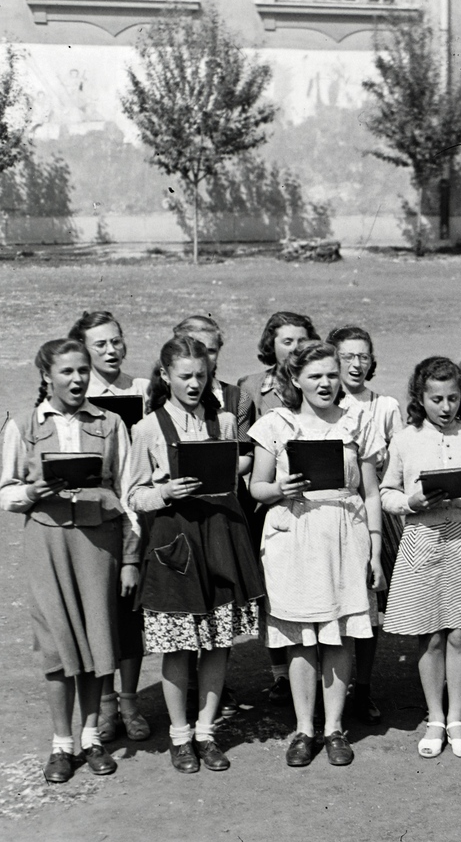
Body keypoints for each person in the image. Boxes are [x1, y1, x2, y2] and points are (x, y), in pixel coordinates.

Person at [0, 338, 137, 783]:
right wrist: (30, 493)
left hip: (99, 545)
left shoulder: (112, 423)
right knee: (58, 647)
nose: (77, 380)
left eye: (83, 371)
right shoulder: (24, 426)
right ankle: (61, 746)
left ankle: (92, 737)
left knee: (97, 642)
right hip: (48, 544)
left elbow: (129, 494)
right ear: (46, 376)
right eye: (67, 373)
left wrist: (131, 558)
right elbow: (5, 491)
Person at [124, 336, 264, 773]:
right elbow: (133, 494)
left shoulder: (223, 421)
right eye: (185, 376)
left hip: (220, 535)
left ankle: (206, 731)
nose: (195, 384)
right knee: (180, 642)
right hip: (175, 544)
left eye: (201, 376)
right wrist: (165, 491)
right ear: (165, 376)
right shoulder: (148, 428)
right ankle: (180, 735)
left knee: (220, 639)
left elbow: (234, 472)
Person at [248, 341, 383, 768]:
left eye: (331, 374)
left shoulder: (357, 421)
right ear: (295, 379)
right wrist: (279, 490)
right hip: (294, 532)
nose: (325, 383)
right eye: (315, 376)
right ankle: (305, 728)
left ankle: (335, 728)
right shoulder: (276, 423)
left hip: (345, 532)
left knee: (340, 630)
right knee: (302, 635)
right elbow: (257, 486)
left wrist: (376, 551)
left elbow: (372, 491)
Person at [381, 357, 461, 760]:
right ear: (420, 397)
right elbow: (387, 494)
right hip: (422, 536)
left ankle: (457, 718)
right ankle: (434, 717)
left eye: (452, 398)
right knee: (430, 634)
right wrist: (411, 501)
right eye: (436, 399)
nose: (446, 407)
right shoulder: (405, 439)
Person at [67, 310, 151, 746]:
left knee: (128, 615)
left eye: (116, 341)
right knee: (97, 616)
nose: (111, 350)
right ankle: (103, 707)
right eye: (99, 345)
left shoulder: (141, 389)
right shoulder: (76, 396)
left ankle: (131, 700)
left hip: (136, 505)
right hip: (93, 516)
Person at [239, 312, 320, 701]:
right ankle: (279, 672)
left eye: (302, 340)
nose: (295, 348)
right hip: (268, 496)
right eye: (287, 341)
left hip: (315, 496)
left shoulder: (320, 379)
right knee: (274, 588)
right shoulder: (253, 386)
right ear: (271, 344)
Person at [328, 325, 404, 725]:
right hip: (334, 514)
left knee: (370, 610)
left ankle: (364, 687)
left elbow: (399, 460)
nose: (356, 364)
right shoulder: (322, 406)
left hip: (378, 514)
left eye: (363, 356)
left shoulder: (385, 405)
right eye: (347, 356)